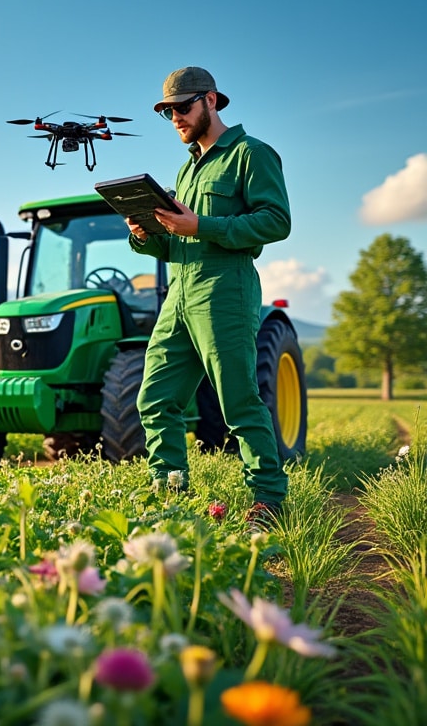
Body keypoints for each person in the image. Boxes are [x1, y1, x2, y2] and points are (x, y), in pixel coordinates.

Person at [124, 66, 292, 528]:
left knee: (238, 401)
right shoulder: (185, 168)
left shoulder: (250, 154)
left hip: (225, 288)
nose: (175, 117)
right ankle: (170, 495)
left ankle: (268, 501)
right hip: (179, 289)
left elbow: (277, 221)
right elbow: (176, 242)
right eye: (167, 112)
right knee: (155, 398)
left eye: (182, 107)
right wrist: (144, 234)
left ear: (211, 101)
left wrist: (203, 225)